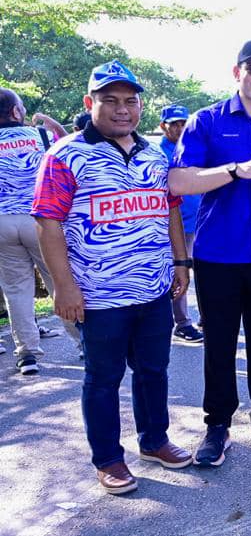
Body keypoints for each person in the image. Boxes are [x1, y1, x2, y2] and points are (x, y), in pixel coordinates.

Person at [32, 60, 193, 495]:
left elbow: (170, 210)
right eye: (110, 100)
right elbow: (48, 223)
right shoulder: (64, 155)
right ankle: (107, 458)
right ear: (91, 103)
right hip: (97, 295)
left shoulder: (154, 154)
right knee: (103, 379)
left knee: (153, 370)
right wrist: (63, 286)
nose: (123, 109)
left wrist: (181, 263)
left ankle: (154, 440)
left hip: (154, 288)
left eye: (130, 101)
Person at [169, 38, 251, 466]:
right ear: (236, 72)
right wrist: (233, 171)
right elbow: (180, 181)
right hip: (219, 253)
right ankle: (217, 425)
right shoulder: (206, 121)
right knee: (220, 343)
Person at [0, 89, 77, 373]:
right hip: (40, 220)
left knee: (16, 289)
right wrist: (51, 123)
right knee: (60, 280)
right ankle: (83, 342)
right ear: (16, 112)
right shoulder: (41, 137)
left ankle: (27, 355)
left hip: (2, 222)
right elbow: (71, 146)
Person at [158, 105, 203, 344]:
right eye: (173, 124)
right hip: (174, 225)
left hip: (198, 223)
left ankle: (205, 317)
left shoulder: (192, 146)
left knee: (202, 271)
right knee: (178, 270)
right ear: (163, 126)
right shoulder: (160, 154)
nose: (179, 128)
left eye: (183, 123)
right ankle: (182, 323)